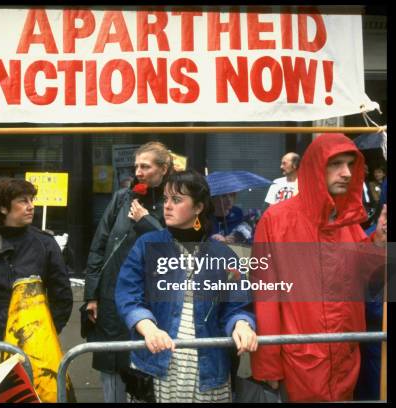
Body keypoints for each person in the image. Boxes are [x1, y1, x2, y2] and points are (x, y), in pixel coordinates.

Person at [250, 133, 387, 402]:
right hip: (300, 364)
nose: (346, 173)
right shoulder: (275, 220)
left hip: (345, 361)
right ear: (315, 168)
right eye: (335, 164)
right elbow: (265, 294)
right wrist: (268, 365)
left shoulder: (348, 221)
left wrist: (381, 245)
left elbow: (371, 282)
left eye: (349, 164)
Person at [115, 170, 257, 402]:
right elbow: (128, 293)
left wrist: (242, 325)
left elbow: (237, 305)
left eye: (177, 200)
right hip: (156, 362)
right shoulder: (146, 244)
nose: (167, 206)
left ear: (199, 207)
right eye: (166, 199)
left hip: (208, 371)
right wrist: (146, 325)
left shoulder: (223, 254)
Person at [84, 141, 173, 403]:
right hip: (111, 295)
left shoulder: (174, 201)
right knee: (112, 364)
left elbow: (175, 246)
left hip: (151, 299)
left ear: (164, 168)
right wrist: (92, 295)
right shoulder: (122, 198)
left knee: (147, 365)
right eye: (136, 166)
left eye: (145, 166)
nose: (138, 172)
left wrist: (146, 221)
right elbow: (98, 246)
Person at [0, 178, 73, 375]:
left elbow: (61, 292)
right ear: (3, 208)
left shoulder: (45, 243)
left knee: (33, 389)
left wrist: (49, 328)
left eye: (31, 200)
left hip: (34, 330)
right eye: (22, 201)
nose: (30, 207)